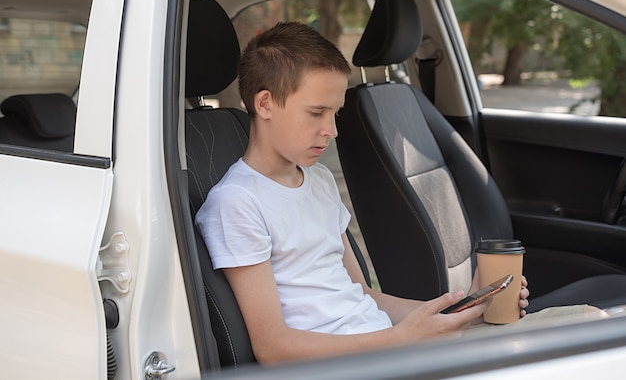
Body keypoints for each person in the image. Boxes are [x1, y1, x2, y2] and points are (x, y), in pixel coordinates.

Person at [195, 22, 596, 365]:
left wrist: (459, 311)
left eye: (335, 113)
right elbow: (273, 348)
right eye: (316, 113)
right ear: (265, 103)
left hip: (386, 348)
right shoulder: (237, 203)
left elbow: (362, 295)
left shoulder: (314, 181)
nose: (332, 131)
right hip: (355, 363)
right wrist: (402, 339)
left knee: (590, 323)